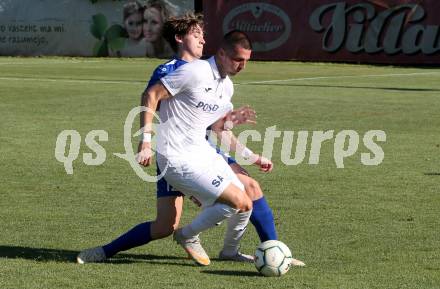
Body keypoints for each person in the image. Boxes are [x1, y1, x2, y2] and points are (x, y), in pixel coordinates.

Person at [77, 16, 304, 267]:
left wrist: (243, 143)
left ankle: (241, 250)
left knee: (243, 197)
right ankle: (182, 236)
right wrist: (146, 142)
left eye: (246, 61)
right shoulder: (186, 71)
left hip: (201, 151)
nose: (242, 66)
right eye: (238, 59)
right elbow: (151, 96)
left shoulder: (225, 86)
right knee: (229, 203)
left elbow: (217, 127)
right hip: (176, 155)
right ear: (222, 53)